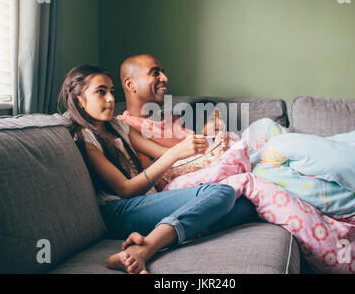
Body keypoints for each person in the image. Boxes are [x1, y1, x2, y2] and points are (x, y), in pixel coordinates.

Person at [58, 64, 258, 274]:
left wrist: (205, 145)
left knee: (245, 205)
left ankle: (177, 229)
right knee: (223, 192)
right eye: (101, 92)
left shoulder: (118, 126)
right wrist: (174, 154)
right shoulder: (84, 138)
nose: (109, 99)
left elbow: (161, 151)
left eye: (111, 91)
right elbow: (125, 189)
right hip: (119, 212)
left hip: (145, 201)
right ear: (79, 99)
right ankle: (144, 250)